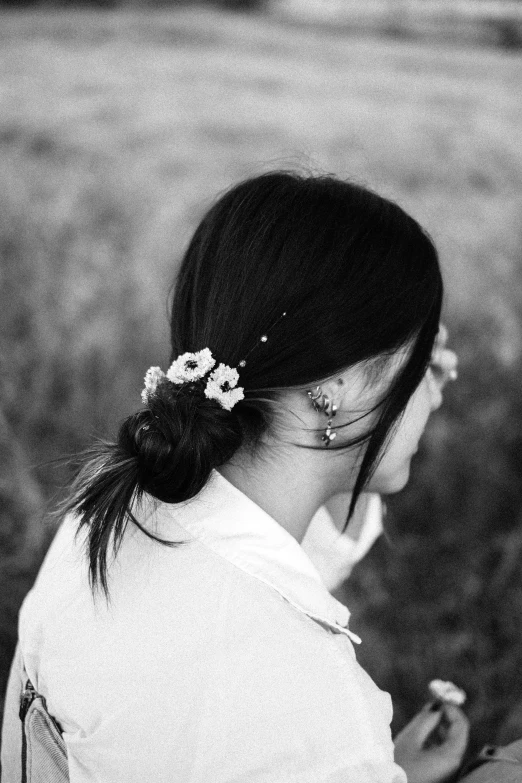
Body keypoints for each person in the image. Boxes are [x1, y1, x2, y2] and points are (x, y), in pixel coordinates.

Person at [1, 171, 477, 782]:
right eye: (417, 366)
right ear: (335, 387)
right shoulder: (302, 704)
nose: (434, 395)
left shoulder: (110, 510)